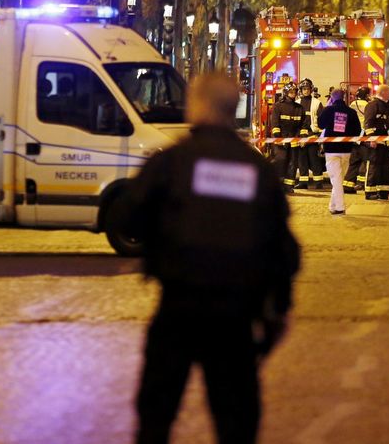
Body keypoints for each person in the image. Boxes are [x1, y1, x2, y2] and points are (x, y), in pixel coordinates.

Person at [113, 72, 301, 444]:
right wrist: (277, 309)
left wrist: (158, 241)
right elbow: (284, 250)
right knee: (236, 419)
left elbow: (127, 216)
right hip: (235, 316)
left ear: (197, 106)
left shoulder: (173, 162)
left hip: (178, 306)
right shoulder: (256, 170)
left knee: (156, 413)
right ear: (233, 110)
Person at [317, 89, 362, 214]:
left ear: (332, 98)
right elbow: (357, 131)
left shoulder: (328, 110)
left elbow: (320, 125)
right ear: (344, 98)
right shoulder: (351, 112)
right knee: (338, 179)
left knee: (336, 179)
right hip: (346, 150)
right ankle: (333, 206)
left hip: (331, 150)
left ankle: (340, 207)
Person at [269, 82, 304, 194]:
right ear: (286, 93)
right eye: (291, 92)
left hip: (294, 139)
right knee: (280, 161)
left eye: (295, 92)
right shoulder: (278, 106)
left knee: (292, 163)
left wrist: (301, 137)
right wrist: (278, 138)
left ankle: (289, 186)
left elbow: (303, 125)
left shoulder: (299, 108)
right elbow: (275, 123)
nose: (293, 94)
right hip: (281, 139)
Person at [363, 85, 389, 200]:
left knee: (385, 167)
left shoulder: (387, 106)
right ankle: (370, 191)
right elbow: (368, 123)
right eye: (388, 92)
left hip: (386, 142)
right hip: (376, 142)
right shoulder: (372, 105)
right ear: (383, 92)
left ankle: (383, 191)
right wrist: (371, 138)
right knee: (374, 167)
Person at [296, 79, 326, 190]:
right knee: (301, 160)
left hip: (313, 134)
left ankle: (318, 182)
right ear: (301, 90)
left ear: (311, 90)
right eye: (304, 89)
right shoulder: (297, 103)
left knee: (315, 159)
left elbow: (322, 120)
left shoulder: (317, 103)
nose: (306, 91)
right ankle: (303, 182)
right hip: (301, 136)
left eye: (308, 89)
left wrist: (318, 135)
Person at [343, 86, 372, 194]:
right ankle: (364, 184)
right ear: (367, 95)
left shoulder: (351, 105)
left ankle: (347, 185)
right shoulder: (368, 105)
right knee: (367, 161)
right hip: (364, 135)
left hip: (354, 136)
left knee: (354, 162)